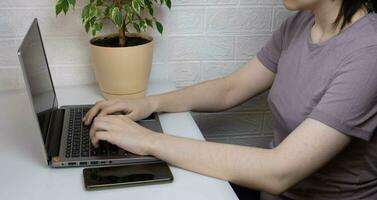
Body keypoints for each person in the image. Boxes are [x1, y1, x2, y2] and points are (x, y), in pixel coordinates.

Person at [83, 0, 377, 199]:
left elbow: (280, 171)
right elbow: (231, 88)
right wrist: (151, 104)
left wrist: (148, 140)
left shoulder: (368, 53)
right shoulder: (300, 24)